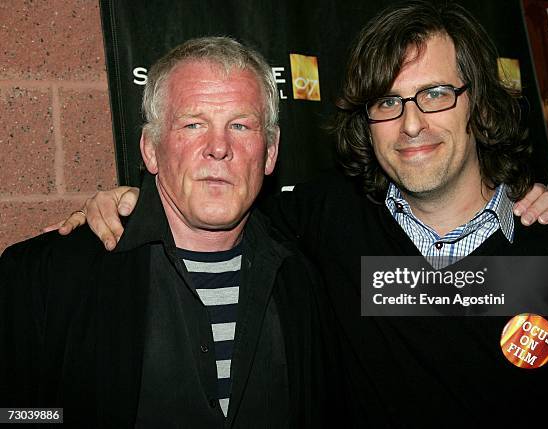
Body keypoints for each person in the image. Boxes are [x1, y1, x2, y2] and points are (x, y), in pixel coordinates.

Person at [50, 1, 548, 427]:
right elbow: (212, 201)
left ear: (480, 103)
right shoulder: (327, 221)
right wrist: (132, 203)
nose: (412, 124)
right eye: (387, 102)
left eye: (435, 93)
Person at [0, 37, 327, 427]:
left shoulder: (303, 280)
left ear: (270, 152)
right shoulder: (47, 277)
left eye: (240, 125)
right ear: (151, 149)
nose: (218, 148)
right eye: (193, 124)